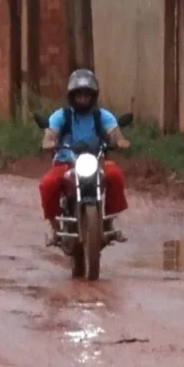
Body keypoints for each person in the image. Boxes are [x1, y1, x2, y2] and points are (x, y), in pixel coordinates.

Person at [38, 68, 131, 243]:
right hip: (65, 162)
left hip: (96, 161)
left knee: (115, 176)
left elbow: (115, 133)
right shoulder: (61, 116)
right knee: (47, 184)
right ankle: (55, 229)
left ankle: (109, 223)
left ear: (93, 96)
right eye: (78, 95)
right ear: (72, 96)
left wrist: (120, 141)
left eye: (86, 95)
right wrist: (50, 143)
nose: (82, 99)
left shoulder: (101, 115)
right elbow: (49, 137)